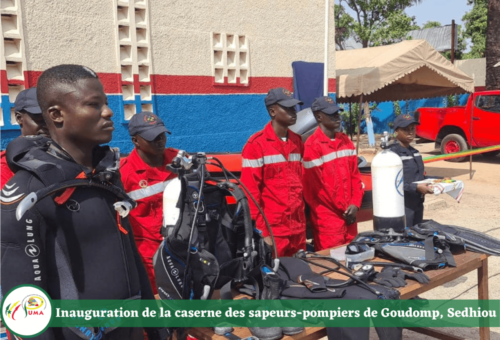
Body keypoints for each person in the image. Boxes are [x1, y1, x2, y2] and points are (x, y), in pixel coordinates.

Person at [0, 64, 168, 340]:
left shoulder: (106, 176)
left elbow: (131, 255)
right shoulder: (27, 190)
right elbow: (22, 296)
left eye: (105, 102)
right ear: (56, 115)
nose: (108, 112)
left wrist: (155, 325)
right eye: (93, 105)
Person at [240, 87, 306, 257]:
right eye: (288, 108)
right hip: (274, 231)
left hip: (298, 230)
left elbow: (300, 184)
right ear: (272, 111)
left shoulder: (297, 142)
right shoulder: (256, 145)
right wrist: (262, 231)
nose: (294, 111)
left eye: (294, 107)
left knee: (301, 275)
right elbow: (250, 193)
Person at [120, 111, 179, 294]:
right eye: (153, 138)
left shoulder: (179, 160)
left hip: (182, 245)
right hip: (147, 254)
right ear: (136, 141)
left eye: (162, 136)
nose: (160, 141)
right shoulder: (124, 175)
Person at [302, 96, 364, 250]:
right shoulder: (312, 147)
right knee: (331, 267)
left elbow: (356, 178)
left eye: (337, 113)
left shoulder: (346, 142)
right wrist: (345, 209)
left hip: (349, 215)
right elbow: (315, 190)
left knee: (352, 261)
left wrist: (355, 204)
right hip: (328, 221)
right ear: (318, 117)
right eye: (332, 114)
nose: (337, 117)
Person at [389, 113, 433, 227]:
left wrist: (437, 182)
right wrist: (416, 187)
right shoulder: (392, 154)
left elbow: (419, 177)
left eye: (412, 128)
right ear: (396, 131)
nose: (410, 132)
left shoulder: (415, 152)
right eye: (405, 129)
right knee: (404, 237)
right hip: (402, 206)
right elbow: (391, 183)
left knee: (417, 235)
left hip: (417, 203)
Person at [1, 87, 49, 188]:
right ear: (19, 118)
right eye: (40, 119)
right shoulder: (4, 168)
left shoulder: (71, 154)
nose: (48, 126)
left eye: (53, 118)